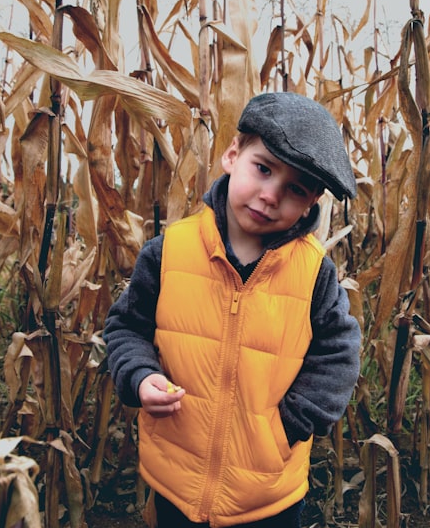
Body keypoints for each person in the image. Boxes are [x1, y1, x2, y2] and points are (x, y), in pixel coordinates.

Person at [103, 91, 362, 527]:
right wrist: (141, 377)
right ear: (231, 155)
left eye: (294, 189)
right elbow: (127, 328)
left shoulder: (313, 273)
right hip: (176, 479)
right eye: (263, 169)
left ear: (312, 202)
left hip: (268, 492)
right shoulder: (170, 251)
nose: (270, 195)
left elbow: (338, 356)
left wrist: (288, 427)